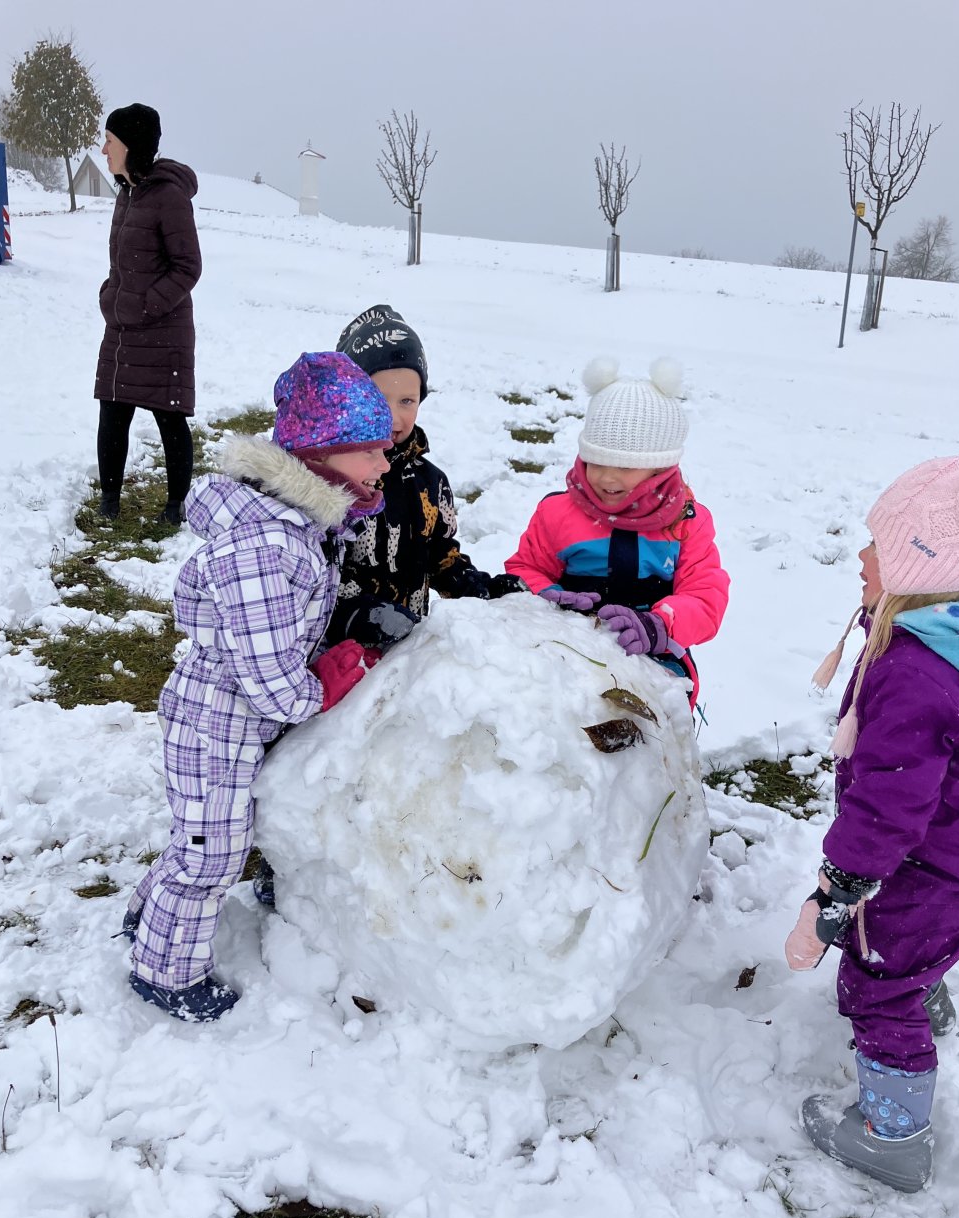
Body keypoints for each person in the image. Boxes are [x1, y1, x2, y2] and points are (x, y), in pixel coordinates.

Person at [121, 352, 393, 1020]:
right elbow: (271, 683)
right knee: (211, 855)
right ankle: (164, 973)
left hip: (232, 718)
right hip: (217, 724)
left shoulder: (295, 525)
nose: (383, 465)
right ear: (321, 457)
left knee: (202, 839)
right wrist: (323, 686)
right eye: (369, 452)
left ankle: (150, 918)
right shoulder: (265, 548)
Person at [786, 456, 959, 1191]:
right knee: (911, 947)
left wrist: (838, 886)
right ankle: (923, 983)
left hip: (936, 865)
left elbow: (888, 807)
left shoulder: (915, 674)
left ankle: (893, 1134)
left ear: (920, 565)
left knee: (875, 984)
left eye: (878, 546)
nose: (860, 557)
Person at [505, 357, 729, 707]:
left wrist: (659, 625)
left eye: (625, 466)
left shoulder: (686, 523)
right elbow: (524, 569)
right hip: (565, 644)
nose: (607, 477)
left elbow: (705, 596)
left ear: (659, 468)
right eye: (596, 461)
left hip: (652, 653)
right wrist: (546, 597)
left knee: (650, 719)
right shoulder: (557, 513)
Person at [325, 304, 524, 652]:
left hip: (408, 652)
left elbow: (440, 556)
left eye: (407, 400)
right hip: (340, 653)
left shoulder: (430, 483)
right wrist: (356, 614)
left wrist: (480, 588)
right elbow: (317, 570)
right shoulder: (336, 477)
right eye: (379, 398)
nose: (394, 416)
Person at [94, 103, 202, 526]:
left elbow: (187, 267)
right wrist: (112, 294)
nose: (104, 150)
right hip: (122, 327)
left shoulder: (168, 197)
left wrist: (146, 304)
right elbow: (123, 263)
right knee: (112, 409)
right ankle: (109, 501)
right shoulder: (127, 194)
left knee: (169, 416)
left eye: (110, 141)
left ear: (131, 146)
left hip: (164, 330)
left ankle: (176, 507)